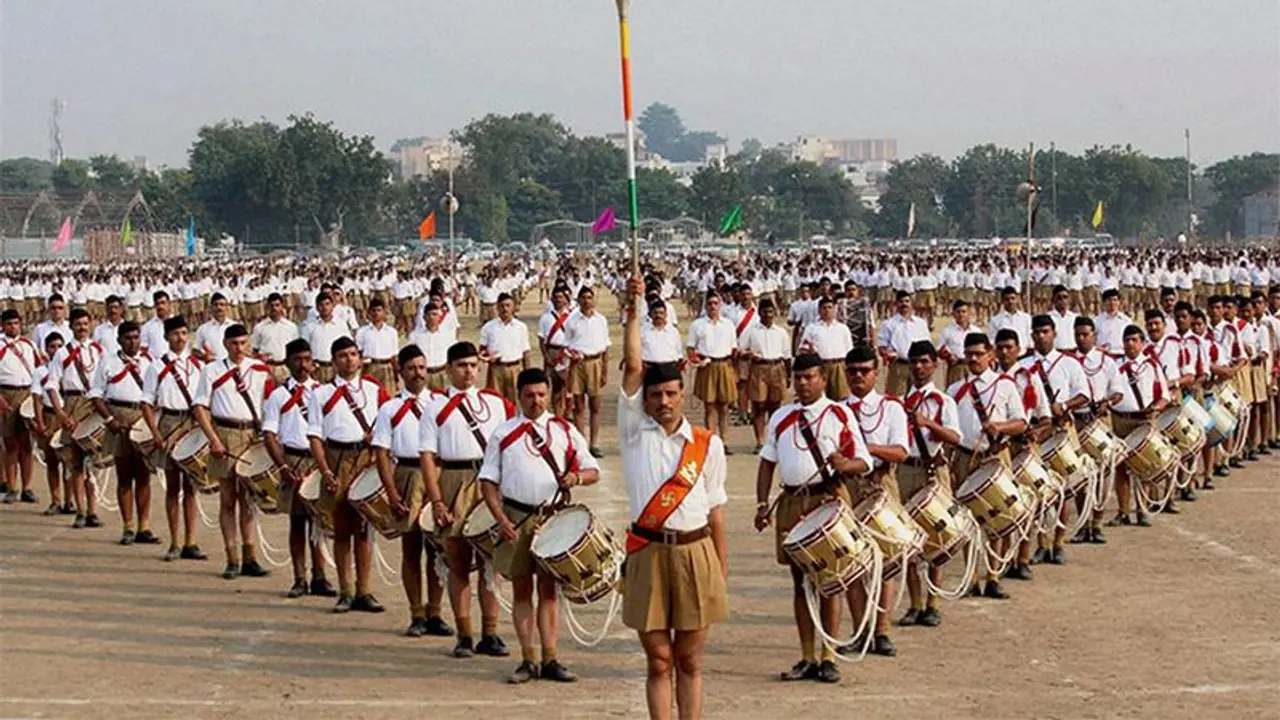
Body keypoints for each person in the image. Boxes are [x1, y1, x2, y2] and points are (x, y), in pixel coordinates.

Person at [621, 272, 728, 720]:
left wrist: (721, 567)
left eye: (670, 393)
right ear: (643, 401)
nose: (663, 401)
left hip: (696, 552)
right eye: (655, 395)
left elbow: (717, 510)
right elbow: (631, 365)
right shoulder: (632, 433)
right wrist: (633, 308)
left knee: (689, 659)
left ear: (683, 395)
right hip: (648, 552)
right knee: (659, 659)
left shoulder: (708, 444)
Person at [478, 367, 599, 684]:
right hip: (516, 518)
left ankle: (550, 657)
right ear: (518, 396)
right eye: (529, 395)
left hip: (552, 519)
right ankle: (527, 658)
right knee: (521, 590)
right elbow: (488, 482)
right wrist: (501, 519)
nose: (536, 401)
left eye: (542, 394)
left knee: (548, 592)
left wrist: (576, 477)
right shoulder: (503, 434)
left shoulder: (564, 430)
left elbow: (592, 470)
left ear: (550, 395)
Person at [754, 352, 869, 684]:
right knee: (800, 583)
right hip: (791, 502)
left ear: (823, 379)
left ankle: (829, 656)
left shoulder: (838, 413)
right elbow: (767, 462)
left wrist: (844, 464)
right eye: (799, 378)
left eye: (810, 377)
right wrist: (763, 504)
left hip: (827, 498)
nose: (803, 384)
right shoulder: (781, 417)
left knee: (831, 582)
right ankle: (806, 655)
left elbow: (862, 460)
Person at [420, 341, 515, 659]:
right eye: (462, 365)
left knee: (492, 561)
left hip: (488, 481)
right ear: (448, 369)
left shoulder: (496, 404)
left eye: (474, 365)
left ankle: (491, 632)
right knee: (457, 561)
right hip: (453, 480)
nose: (469, 371)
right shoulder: (434, 407)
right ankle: (464, 634)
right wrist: (436, 501)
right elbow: (428, 459)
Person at [370, 343, 452, 636]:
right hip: (406, 473)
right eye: (411, 369)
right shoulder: (390, 408)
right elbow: (381, 453)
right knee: (411, 548)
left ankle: (435, 612)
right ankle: (416, 613)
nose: (418, 374)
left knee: (438, 550)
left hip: (438, 475)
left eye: (421, 367)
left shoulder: (441, 405)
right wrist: (391, 494)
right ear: (400, 371)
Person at [307, 336, 389, 613]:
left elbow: (387, 428)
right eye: (343, 355)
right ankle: (345, 589)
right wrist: (325, 470)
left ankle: (364, 590)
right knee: (342, 529)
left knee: (364, 528)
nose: (349, 360)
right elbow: (315, 436)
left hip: (366, 458)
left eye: (354, 354)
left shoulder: (374, 390)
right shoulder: (320, 394)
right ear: (333, 361)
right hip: (336, 457)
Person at [946, 332, 1028, 599]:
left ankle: (992, 575)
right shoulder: (954, 390)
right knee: (968, 518)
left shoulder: (1004, 385)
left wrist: (1000, 426)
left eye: (979, 354)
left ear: (990, 355)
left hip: (995, 456)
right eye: (968, 354)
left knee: (999, 516)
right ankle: (971, 576)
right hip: (965, 456)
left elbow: (1021, 422)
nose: (973, 359)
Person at [191, 323, 273, 580]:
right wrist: (213, 439)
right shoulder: (211, 370)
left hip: (251, 434)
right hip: (224, 433)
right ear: (225, 344)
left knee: (249, 498)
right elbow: (200, 407)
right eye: (234, 343)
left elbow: (268, 403)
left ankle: (250, 556)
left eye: (243, 343)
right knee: (227, 499)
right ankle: (231, 557)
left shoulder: (259, 370)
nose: (239, 348)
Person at [840, 344, 907, 656]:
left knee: (887, 560)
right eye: (852, 371)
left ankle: (882, 630)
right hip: (848, 486)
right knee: (852, 562)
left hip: (881, 483)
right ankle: (859, 630)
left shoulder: (892, 407)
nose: (858, 377)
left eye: (864, 371)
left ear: (876, 374)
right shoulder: (837, 410)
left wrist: (870, 450)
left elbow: (901, 452)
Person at [261, 338, 336, 598]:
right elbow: (269, 434)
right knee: (296, 522)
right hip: (292, 459)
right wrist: (281, 466)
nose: (303, 365)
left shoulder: (324, 392)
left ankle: (320, 576)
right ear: (287, 362)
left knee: (319, 520)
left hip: (317, 461)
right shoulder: (278, 395)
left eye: (306, 360)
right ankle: (299, 577)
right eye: (297, 360)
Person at [896, 340, 961, 625]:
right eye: (915, 362)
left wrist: (929, 424)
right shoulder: (898, 403)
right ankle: (915, 602)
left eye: (924, 362)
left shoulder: (943, 401)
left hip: (933, 469)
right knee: (907, 541)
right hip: (904, 470)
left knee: (938, 537)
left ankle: (933, 602)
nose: (919, 367)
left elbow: (956, 437)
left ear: (935, 365)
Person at [139, 315, 207, 561]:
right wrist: (156, 433)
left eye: (184, 333)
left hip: (192, 422)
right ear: (166, 337)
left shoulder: (199, 366)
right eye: (175, 334)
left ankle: (192, 541)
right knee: (172, 486)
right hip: (168, 421)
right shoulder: (157, 366)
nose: (180, 338)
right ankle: (175, 541)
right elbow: (146, 403)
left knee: (192, 485)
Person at [1023, 314, 1090, 558]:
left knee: (1063, 488)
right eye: (1037, 332)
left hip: (1061, 429)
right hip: (1036, 432)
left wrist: (1064, 405)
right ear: (1032, 336)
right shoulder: (1023, 366)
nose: (1041, 337)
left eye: (1046, 332)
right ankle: (1042, 542)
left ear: (1054, 334)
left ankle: (1059, 541)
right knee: (1040, 488)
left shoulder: (1069, 363)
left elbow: (1085, 394)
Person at [89, 321, 157, 545]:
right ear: (119, 340)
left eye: (136, 337)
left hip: (143, 418)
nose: (133, 342)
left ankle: (144, 526)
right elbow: (96, 395)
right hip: (118, 416)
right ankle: (128, 526)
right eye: (128, 338)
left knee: (145, 476)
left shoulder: (150, 362)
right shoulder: (107, 363)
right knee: (125, 475)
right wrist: (109, 419)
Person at [1107, 325, 1171, 528]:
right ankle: (1123, 511)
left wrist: (1156, 409)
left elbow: (1164, 395)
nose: (1130, 344)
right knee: (1121, 467)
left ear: (1142, 343)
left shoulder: (1152, 365)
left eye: (1135, 340)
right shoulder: (1114, 366)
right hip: (1120, 418)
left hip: (1144, 418)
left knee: (1145, 465)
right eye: (1127, 340)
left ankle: (1142, 509)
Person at [45, 308, 103, 527]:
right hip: (71, 403)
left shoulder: (99, 350)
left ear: (91, 325)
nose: (82, 328)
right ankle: (80, 510)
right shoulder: (62, 353)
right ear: (71, 327)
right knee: (75, 462)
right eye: (78, 324)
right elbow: (52, 384)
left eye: (85, 324)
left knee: (93, 463)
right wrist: (60, 412)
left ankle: (92, 510)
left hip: (93, 404)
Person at [739, 299, 791, 453]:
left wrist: (788, 376)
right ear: (759, 313)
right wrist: (749, 354)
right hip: (759, 368)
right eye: (764, 312)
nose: (768, 315)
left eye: (770, 312)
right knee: (759, 405)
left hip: (777, 367)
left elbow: (787, 355)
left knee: (775, 407)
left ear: (774, 313)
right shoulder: (752, 331)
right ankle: (760, 441)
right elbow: (741, 350)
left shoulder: (781, 332)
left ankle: (774, 440)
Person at [686, 290, 738, 441]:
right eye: (710, 304)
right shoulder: (697, 325)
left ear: (720, 305)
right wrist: (697, 361)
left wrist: (734, 371)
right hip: (707, 366)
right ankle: (711, 440)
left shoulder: (728, 325)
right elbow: (690, 348)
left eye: (716, 303)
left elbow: (733, 349)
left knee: (724, 406)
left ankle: (724, 440)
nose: (713, 306)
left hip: (724, 365)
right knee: (709, 406)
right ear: (705, 306)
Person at [564, 287, 610, 456]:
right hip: (578, 365)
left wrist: (605, 370)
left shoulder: (601, 320)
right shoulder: (572, 320)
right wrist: (571, 355)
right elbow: (566, 345)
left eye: (590, 297)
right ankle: (581, 443)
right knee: (579, 406)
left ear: (594, 300)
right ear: (579, 300)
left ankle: (595, 443)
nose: (587, 301)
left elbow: (606, 347)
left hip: (595, 362)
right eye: (583, 298)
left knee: (595, 405)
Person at [32, 331, 73, 514]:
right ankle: (55, 500)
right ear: (46, 350)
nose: (56, 350)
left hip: (67, 416)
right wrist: (40, 423)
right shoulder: (41, 372)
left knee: (70, 462)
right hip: (49, 416)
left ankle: (70, 501)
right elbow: (37, 398)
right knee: (52, 462)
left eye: (59, 346)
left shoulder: (70, 367)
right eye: (52, 347)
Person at [0, 309, 38, 503]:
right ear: (3, 326)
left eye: (16, 323)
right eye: (9, 324)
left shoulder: (29, 345)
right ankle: (12, 487)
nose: (13, 327)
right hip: (6, 393)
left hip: (26, 393)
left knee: (26, 444)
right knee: (10, 444)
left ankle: (27, 487)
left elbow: (39, 369)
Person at [479, 293, 531, 405]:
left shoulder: (521, 327)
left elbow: (526, 352)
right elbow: (482, 351)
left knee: (514, 403)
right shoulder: (489, 327)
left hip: (515, 369)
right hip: (496, 369)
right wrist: (487, 357)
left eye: (508, 305)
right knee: (495, 402)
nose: (505, 309)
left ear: (514, 307)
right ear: (497, 307)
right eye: (502, 306)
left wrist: (527, 374)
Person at [876, 290, 930, 397]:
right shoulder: (889, 324)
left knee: (919, 398)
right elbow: (882, 347)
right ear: (896, 304)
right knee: (895, 399)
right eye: (901, 301)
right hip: (898, 366)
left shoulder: (921, 323)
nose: (904, 304)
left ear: (911, 303)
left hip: (918, 365)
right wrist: (887, 354)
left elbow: (927, 346)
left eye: (907, 301)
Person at [798, 297, 853, 400]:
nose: (827, 310)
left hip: (839, 366)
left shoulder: (843, 328)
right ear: (819, 310)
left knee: (841, 399)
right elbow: (803, 348)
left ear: (834, 310)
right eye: (824, 308)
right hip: (820, 366)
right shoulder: (812, 328)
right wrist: (810, 352)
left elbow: (849, 350)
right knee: (819, 398)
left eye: (830, 307)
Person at [537, 286, 574, 416]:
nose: (558, 300)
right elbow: (541, 339)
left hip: (568, 353)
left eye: (561, 297)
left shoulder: (572, 316)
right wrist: (546, 357)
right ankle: (558, 413)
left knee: (569, 385)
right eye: (556, 297)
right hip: (552, 351)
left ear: (566, 299)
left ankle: (569, 412)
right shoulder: (545, 317)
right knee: (555, 385)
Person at [251, 292, 299, 385]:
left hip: (286, 368)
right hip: (268, 367)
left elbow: (295, 350)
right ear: (267, 307)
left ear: (282, 306)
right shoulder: (259, 327)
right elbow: (254, 351)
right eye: (271, 305)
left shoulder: (291, 327)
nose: (274, 308)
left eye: (277, 305)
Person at [408, 300, 455, 393]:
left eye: (434, 314)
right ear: (424, 317)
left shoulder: (448, 335)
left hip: (442, 373)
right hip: (424, 375)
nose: (431, 317)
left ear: (439, 317)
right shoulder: (415, 336)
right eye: (428, 314)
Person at [305, 291, 350, 384]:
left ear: (333, 306)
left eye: (327, 304)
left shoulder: (341, 324)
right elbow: (305, 348)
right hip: (316, 369)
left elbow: (347, 346)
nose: (324, 307)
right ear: (317, 308)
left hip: (335, 368)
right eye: (321, 305)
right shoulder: (309, 326)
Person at [357, 298, 400, 394]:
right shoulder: (362, 332)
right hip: (370, 367)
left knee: (388, 396)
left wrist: (396, 377)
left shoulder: (391, 332)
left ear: (385, 312)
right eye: (373, 310)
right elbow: (359, 353)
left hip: (387, 367)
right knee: (369, 395)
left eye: (379, 310)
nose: (376, 313)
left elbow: (394, 357)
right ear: (369, 313)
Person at [937, 300, 977, 387]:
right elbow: (939, 350)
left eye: (964, 311)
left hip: (973, 366)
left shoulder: (976, 331)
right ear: (953, 314)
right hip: (956, 367)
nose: (961, 314)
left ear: (969, 313)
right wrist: (948, 355)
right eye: (958, 312)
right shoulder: (947, 331)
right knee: (955, 393)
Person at [194, 293, 236, 362]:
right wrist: (204, 357)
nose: (219, 307)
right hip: (212, 368)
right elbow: (195, 350)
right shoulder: (203, 329)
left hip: (232, 367)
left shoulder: (235, 326)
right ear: (211, 308)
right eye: (216, 305)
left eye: (222, 305)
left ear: (227, 307)